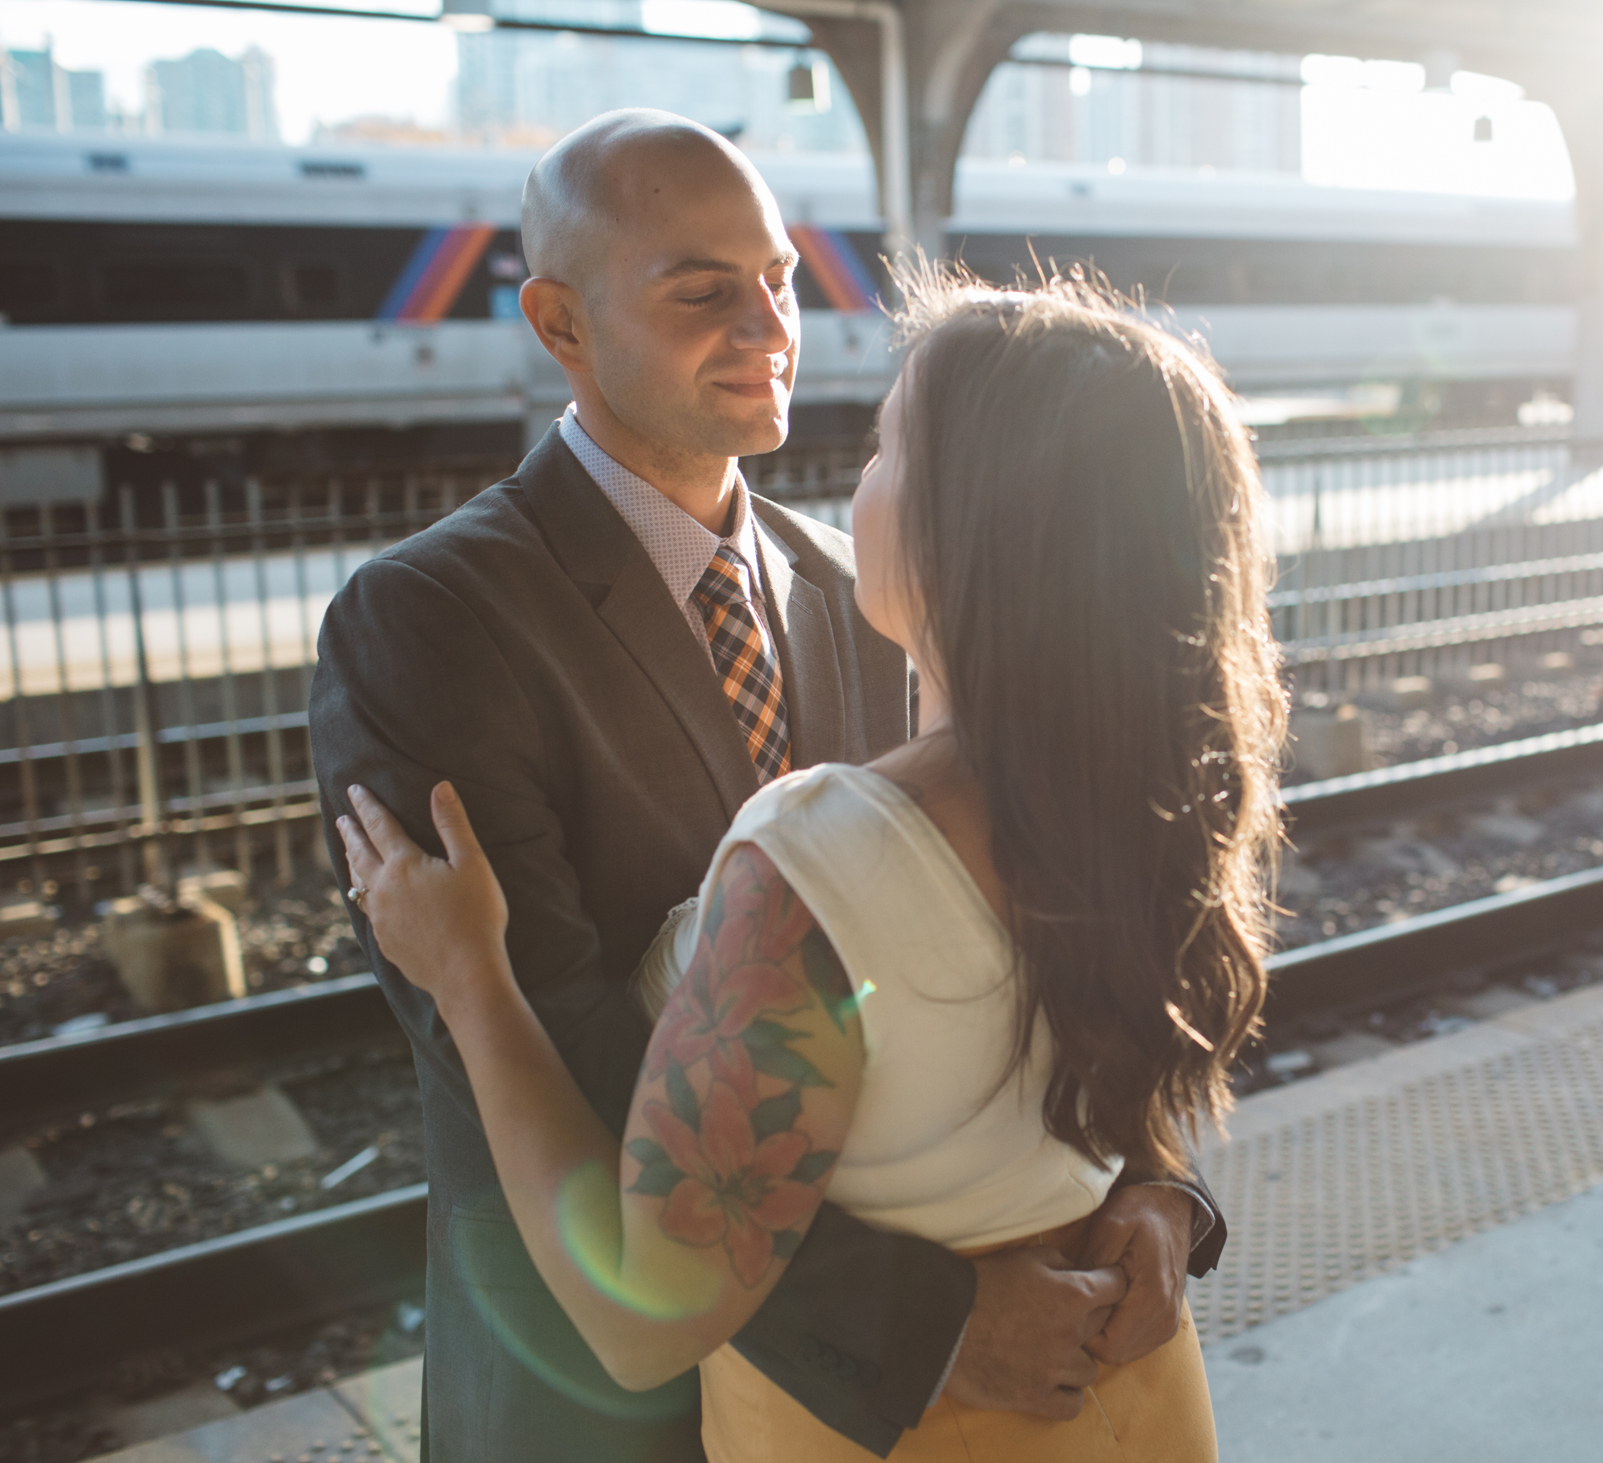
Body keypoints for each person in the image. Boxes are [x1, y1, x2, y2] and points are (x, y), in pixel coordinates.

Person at [308, 110, 1223, 1463]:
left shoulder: (867, 588)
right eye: (701, 293)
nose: (767, 326)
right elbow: (540, 1031)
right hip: (604, 1388)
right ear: (558, 324)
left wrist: (1153, 1183)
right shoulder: (430, 620)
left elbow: (1029, 925)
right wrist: (930, 1321)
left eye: (780, 280)